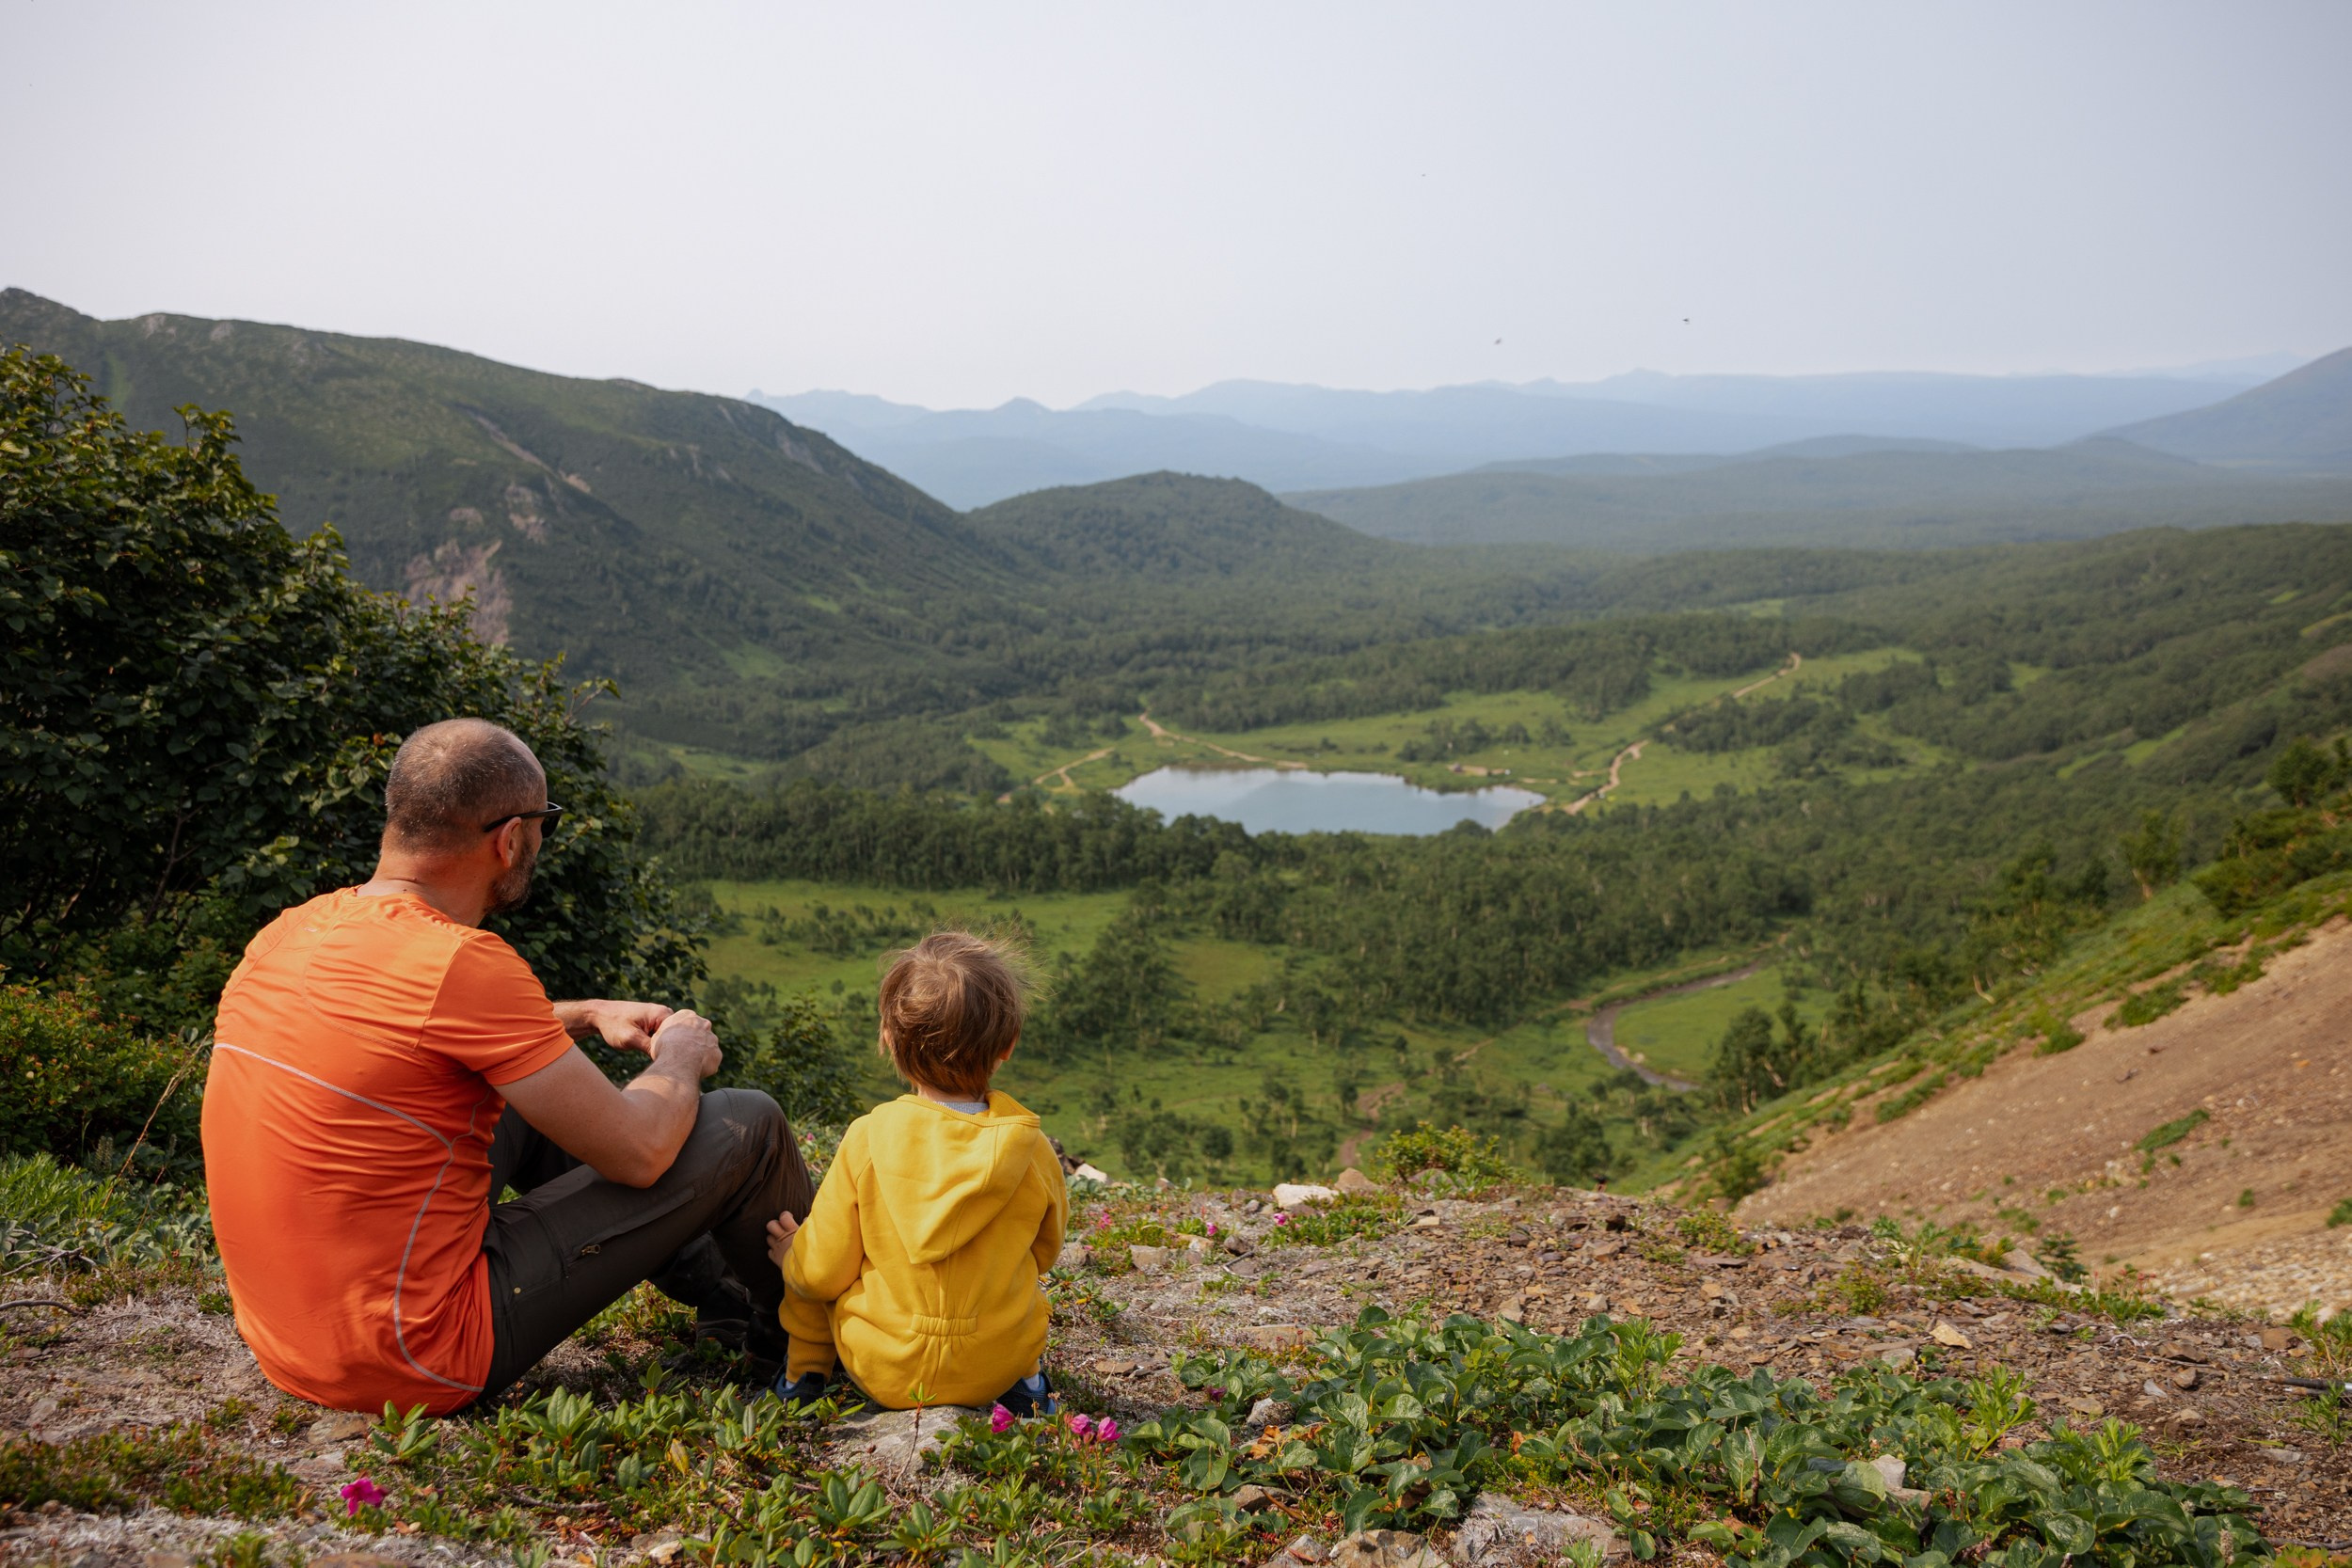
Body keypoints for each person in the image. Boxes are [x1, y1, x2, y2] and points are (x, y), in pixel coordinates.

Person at [202, 718, 812, 1414]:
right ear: (511, 838)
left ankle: (726, 1295)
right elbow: (641, 1153)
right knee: (747, 1123)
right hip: (412, 1356)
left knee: (528, 1091)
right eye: (544, 823)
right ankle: (808, 1338)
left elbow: (405, 1041)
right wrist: (678, 1058)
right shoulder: (462, 962)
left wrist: (582, 1013)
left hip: (294, 1338)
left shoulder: (291, 930)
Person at [767, 932, 1067, 1413]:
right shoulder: (1030, 1150)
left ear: (889, 1040)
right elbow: (1046, 1251)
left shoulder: (868, 1138)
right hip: (995, 1366)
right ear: (1008, 1045)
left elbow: (823, 1274)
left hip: (882, 1367)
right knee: (1019, 1276)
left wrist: (790, 1258)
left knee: (810, 1263)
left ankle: (803, 1377)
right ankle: (1029, 1388)